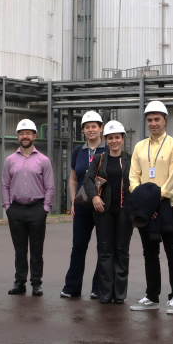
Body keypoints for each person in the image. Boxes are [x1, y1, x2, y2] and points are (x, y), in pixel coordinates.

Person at [128, 100, 173, 313]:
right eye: (150, 120)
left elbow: (172, 180)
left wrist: (149, 199)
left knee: (172, 251)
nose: (153, 123)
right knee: (149, 252)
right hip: (146, 208)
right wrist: (143, 199)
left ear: (165, 121)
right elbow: (133, 177)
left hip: (168, 206)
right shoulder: (139, 147)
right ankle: (152, 296)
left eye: (157, 119)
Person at [2, 119, 55, 296]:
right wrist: (7, 207)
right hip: (16, 209)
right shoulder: (10, 160)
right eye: (21, 133)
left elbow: (50, 186)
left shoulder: (43, 160)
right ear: (18, 136)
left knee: (37, 249)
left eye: (28, 133)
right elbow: (4, 185)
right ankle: (19, 282)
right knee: (20, 249)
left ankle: (36, 283)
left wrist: (45, 208)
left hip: (36, 209)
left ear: (35, 136)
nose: (25, 136)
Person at [81, 120, 132, 304]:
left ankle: (119, 294)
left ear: (122, 138)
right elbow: (87, 179)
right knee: (104, 251)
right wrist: (94, 196)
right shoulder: (99, 159)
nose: (114, 141)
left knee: (121, 251)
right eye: (110, 138)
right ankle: (105, 292)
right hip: (104, 212)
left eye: (117, 137)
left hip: (125, 213)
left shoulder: (130, 159)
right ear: (105, 139)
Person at [61, 111, 107, 299]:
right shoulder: (78, 152)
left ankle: (98, 287)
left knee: (102, 248)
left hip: (102, 205)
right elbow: (73, 179)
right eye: (87, 127)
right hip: (82, 206)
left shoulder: (107, 149)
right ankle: (72, 287)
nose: (90, 130)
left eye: (94, 126)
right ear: (83, 130)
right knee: (78, 246)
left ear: (101, 128)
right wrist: (73, 201)